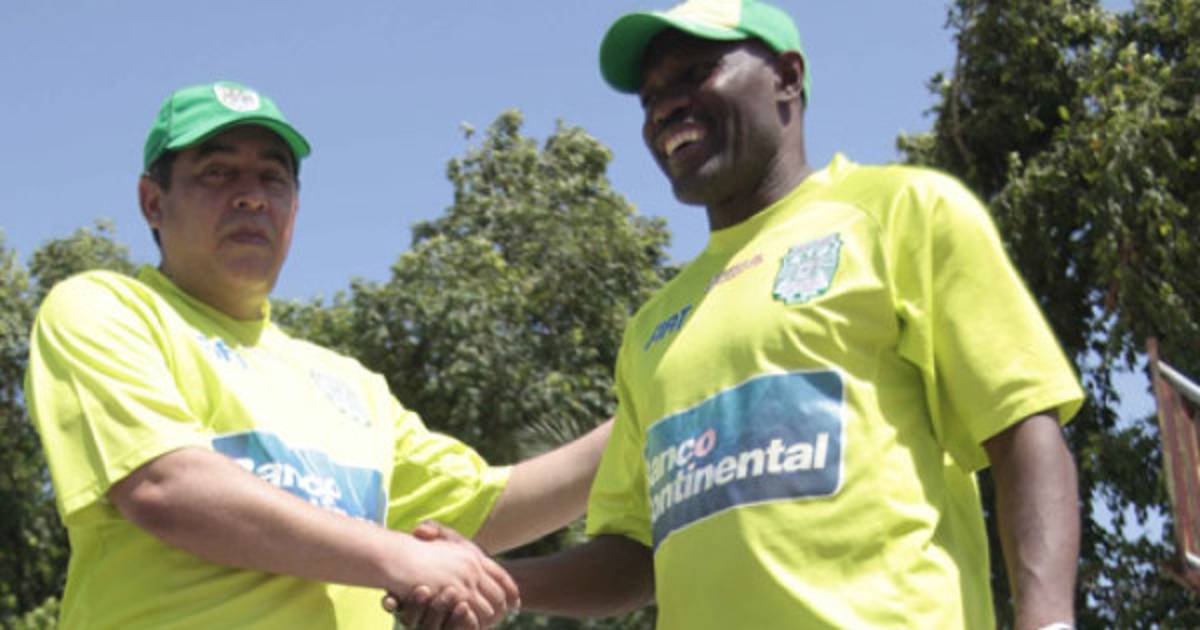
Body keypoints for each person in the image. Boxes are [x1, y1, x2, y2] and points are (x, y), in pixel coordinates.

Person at [461, 1, 1084, 629]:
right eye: (649, 98)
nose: (664, 108)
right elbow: (635, 551)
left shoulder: (903, 213)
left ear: (787, 77)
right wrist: (484, 579)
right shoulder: (654, 327)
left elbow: (1021, 425)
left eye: (695, 74)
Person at [24, 80, 612, 630]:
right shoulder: (105, 309)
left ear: (295, 208)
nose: (251, 197)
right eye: (217, 173)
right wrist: (400, 556)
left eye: (273, 178)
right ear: (153, 202)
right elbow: (167, 487)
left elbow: (490, 507)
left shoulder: (352, 386)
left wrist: (642, 412)